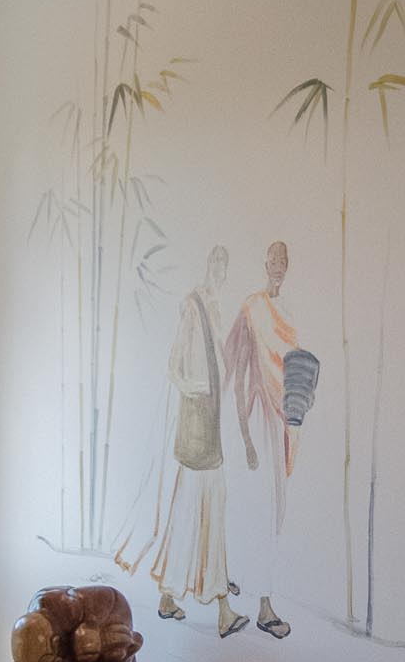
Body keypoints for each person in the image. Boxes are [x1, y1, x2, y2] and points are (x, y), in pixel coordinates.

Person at [116, 247, 250, 636]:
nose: (220, 270)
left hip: (209, 424)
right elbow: (174, 365)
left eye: (225, 264)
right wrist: (194, 390)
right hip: (196, 426)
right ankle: (221, 607)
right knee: (202, 509)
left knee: (198, 510)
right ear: (206, 265)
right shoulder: (194, 305)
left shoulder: (214, 307)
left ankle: (170, 596)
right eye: (216, 262)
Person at [222, 240, 299, 638]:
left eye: (283, 261)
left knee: (273, 513)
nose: (278, 266)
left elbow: (294, 373)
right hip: (253, 421)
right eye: (273, 260)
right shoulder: (252, 308)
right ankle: (261, 606)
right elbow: (236, 372)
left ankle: (260, 600)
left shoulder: (288, 312)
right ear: (265, 263)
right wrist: (245, 437)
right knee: (253, 511)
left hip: (278, 422)